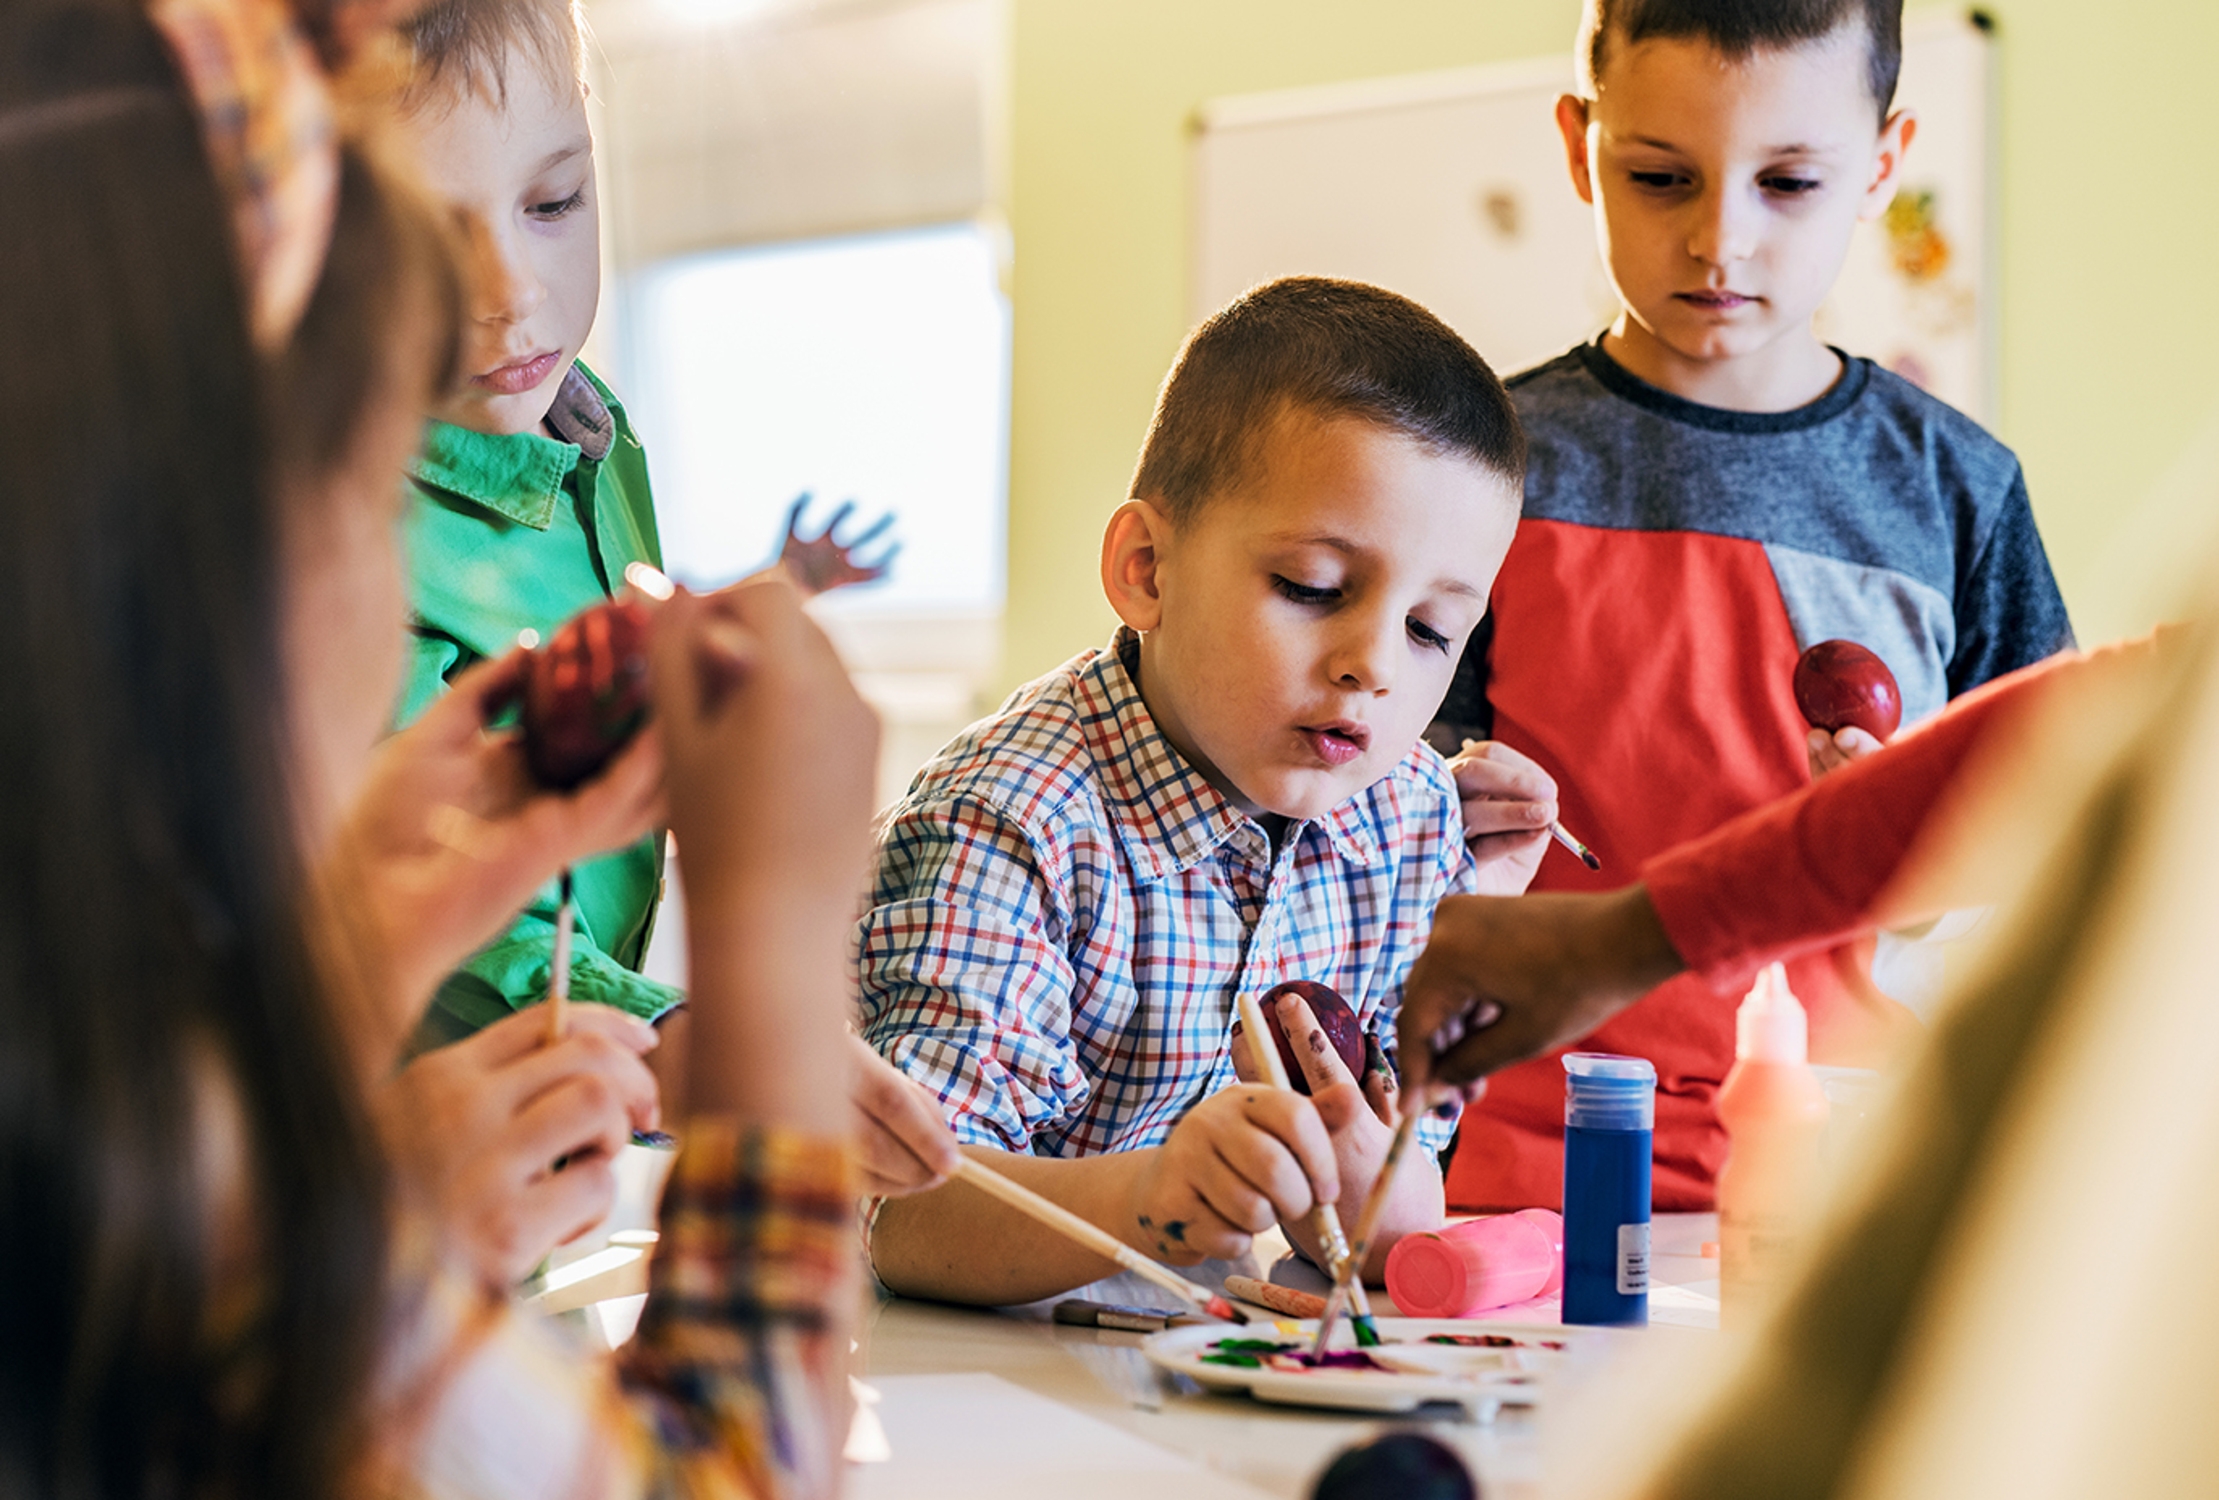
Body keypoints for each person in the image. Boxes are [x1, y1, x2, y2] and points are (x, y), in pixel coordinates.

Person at [0, 2, 890, 1494]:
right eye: (373, 478)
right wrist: (772, 953)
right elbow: (722, 1472)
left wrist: (346, 956)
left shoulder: (113, 1150)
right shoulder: (210, 1242)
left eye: (555, 199)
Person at [1431, 0, 2073, 1214]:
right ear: (1579, 149)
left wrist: (1914, 847)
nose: (1718, 243)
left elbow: (2044, 859)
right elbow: (1373, 822)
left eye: (1787, 184)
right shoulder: (1481, 466)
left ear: (1880, 167)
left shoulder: (1956, 492)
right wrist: (1442, 809)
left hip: (1847, 1182)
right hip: (1521, 1173)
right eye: (1659, 177)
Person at [858, 277, 1531, 1305]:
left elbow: (1395, 1201)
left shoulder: (1407, 817)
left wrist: (1371, 1192)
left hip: (1179, 1374)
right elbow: (903, 1212)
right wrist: (1154, 1196)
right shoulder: (1012, 819)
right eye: (1311, 587)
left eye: (1432, 629)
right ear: (1145, 571)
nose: (1374, 666)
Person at [389, 0, 894, 1043]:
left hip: (583, 1071)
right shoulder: (352, 544)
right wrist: (677, 1033)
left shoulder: (591, 430)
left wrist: (766, 593)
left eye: (556, 201)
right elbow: (438, 893)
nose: (514, 293)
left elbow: (618, 644)